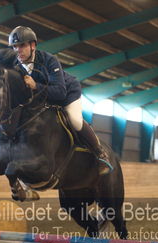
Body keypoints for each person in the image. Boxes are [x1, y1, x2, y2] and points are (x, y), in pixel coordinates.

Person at [9, 26, 112, 175]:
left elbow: (60, 93)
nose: (18, 50)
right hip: (44, 99)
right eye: (15, 46)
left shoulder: (49, 60)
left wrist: (35, 85)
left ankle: (100, 153)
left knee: (74, 120)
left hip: (67, 94)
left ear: (33, 45)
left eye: (22, 45)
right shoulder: (16, 66)